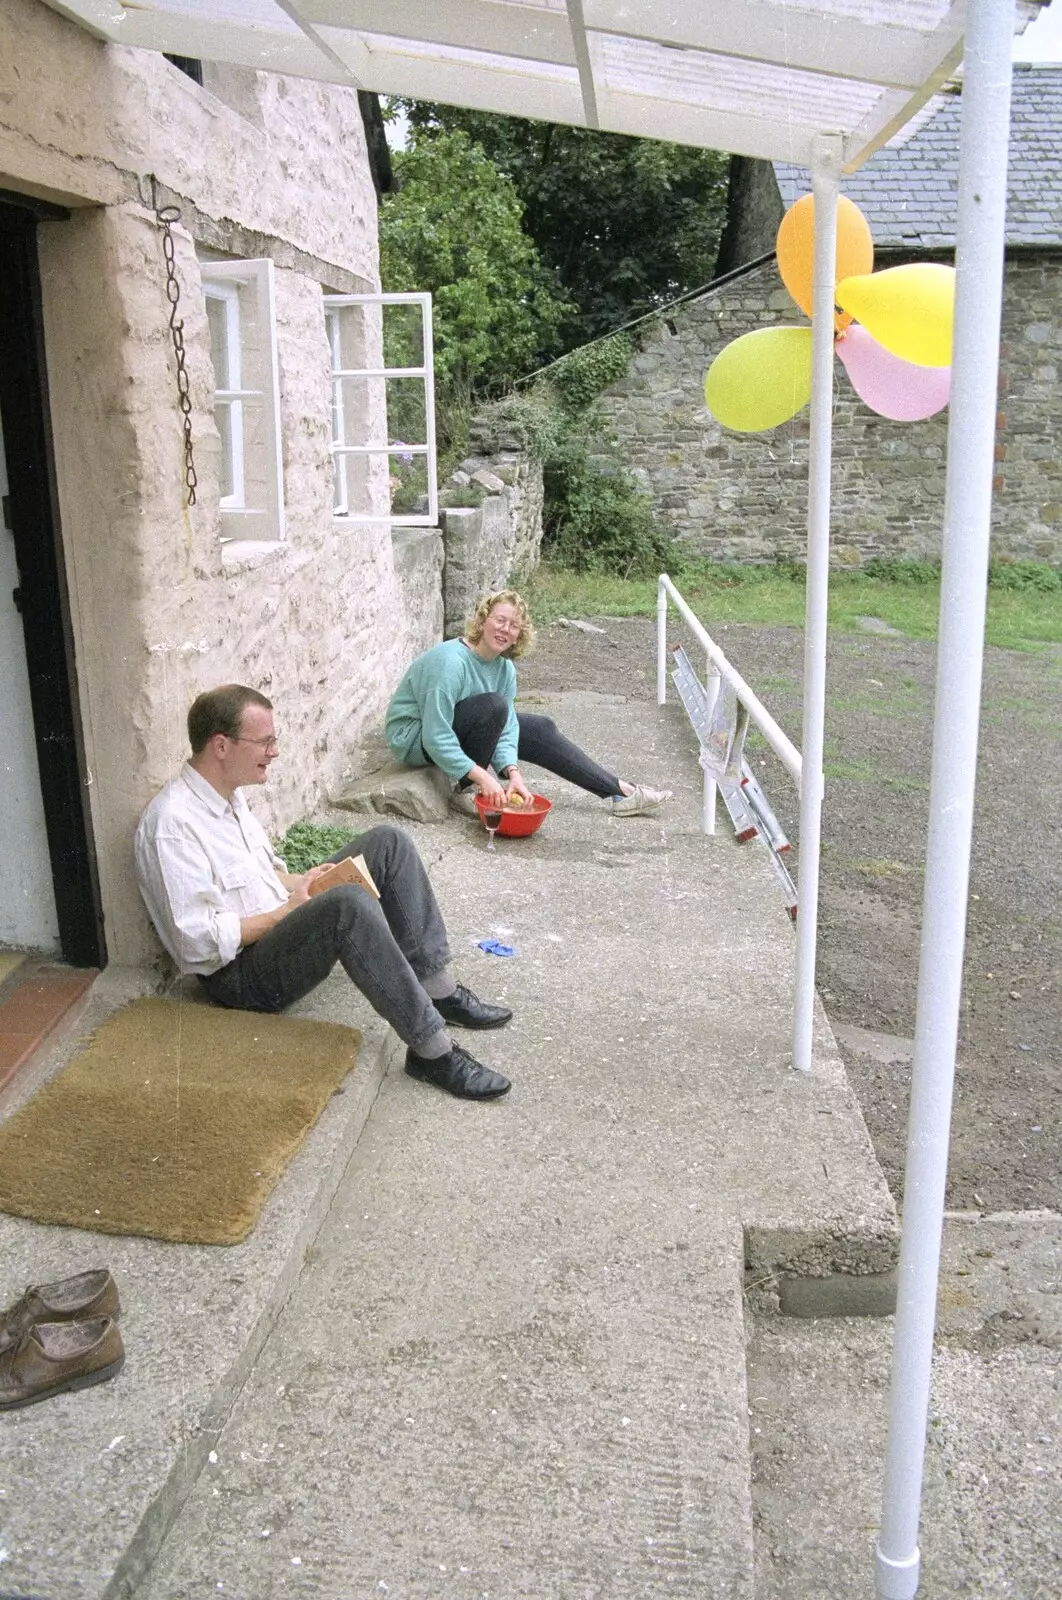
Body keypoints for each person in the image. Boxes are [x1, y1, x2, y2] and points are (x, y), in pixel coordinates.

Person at [134, 684, 513, 1101]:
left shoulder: (227, 797)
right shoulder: (173, 826)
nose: (274, 752)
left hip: (277, 926)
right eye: (266, 741)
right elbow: (196, 942)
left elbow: (258, 878)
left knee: (388, 843)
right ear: (221, 745)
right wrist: (289, 913)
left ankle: (440, 991)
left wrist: (302, 883)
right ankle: (432, 1051)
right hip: (241, 979)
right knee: (346, 907)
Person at [385, 589, 671, 818]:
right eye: (499, 620)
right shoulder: (450, 662)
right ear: (483, 619)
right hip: (415, 737)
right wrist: (483, 777)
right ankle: (466, 788)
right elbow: (436, 735)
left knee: (540, 728)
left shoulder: (504, 669)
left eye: (513, 626)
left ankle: (619, 792)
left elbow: (506, 727)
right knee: (494, 706)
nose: (505, 630)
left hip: (463, 723)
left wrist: (513, 774)